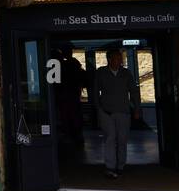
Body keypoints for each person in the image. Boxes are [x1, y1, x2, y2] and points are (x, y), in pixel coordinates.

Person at [94, 47, 139, 178]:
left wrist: (137, 109)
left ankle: (120, 166)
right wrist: (98, 108)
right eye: (117, 58)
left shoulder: (126, 73)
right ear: (109, 59)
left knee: (122, 140)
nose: (120, 60)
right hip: (106, 112)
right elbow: (95, 91)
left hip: (123, 111)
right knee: (110, 138)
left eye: (121, 58)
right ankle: (110, 167)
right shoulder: (101, 72)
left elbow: (134, 92)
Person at [53, 43, 88, 155]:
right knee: (72, 117)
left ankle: (72, 137)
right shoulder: (73, 64)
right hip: (70, 96)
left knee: (68, 117)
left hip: (66, 96)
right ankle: (74, 137)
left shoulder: (67, 64)